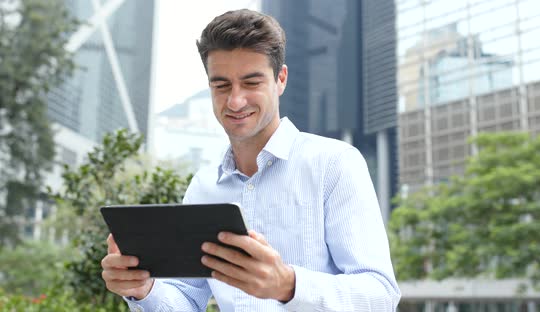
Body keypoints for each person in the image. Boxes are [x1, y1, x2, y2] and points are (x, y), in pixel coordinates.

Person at [101, 9, 401, 311]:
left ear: (280, 79)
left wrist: (288, 284)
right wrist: (144, 289)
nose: (235, 100)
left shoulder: (334, 165)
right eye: (221, 85)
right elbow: (188, 301)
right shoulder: (203, 188)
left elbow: (380, 295)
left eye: (251, 83)